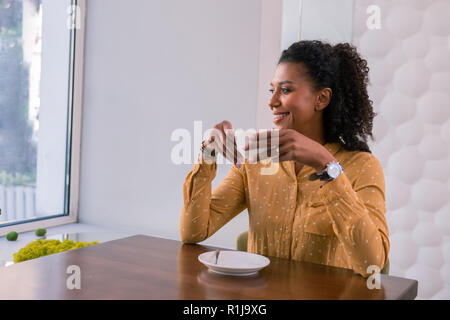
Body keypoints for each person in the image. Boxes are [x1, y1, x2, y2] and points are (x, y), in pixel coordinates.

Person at [180, 40, 389, 277]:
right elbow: (193, 232)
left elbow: (372, 264)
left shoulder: (361, 166)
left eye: (286, 90)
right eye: (272, 90)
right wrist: (208, 152)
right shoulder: (254, 162)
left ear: (321, 99)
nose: (272, 101)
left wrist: (326, 165)